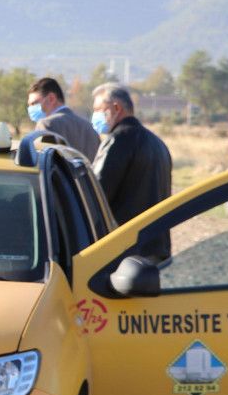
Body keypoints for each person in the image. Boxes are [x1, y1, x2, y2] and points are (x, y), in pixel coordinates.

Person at [90, 83, 173, 260]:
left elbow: (97, 194)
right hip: (157, 247)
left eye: (98, 110)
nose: (94, 116)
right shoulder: (158, 143)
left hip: (127, 249)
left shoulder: (118, 140)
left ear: (116, 108)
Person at [27, 77, 99, 161]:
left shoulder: (46, 124)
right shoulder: (89, 127)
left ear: (51, 98)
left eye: (34, 103)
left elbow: (42, 162)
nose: (30, 108)